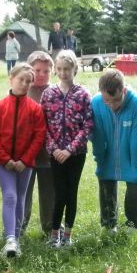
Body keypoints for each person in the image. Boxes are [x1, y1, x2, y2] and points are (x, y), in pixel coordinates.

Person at [0, 63, 46, 258]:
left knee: (21, 197)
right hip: (4, 163)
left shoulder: (35, 109)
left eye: (28, 82)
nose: (24, 84)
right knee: (10, 196)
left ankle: (17, 236)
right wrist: (5, 159)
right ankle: (10, 238)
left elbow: (39, 136)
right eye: (21, 79)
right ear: (10, 78)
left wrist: (25, 159)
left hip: (25, 164)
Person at [41, 50, 93, 247]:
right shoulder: (48, 94)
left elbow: (88, 125)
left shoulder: (83, 94)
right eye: (60, 69)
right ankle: (55, 234)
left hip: (76, 154)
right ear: (56, 69)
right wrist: (54, 149)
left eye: (67, 69)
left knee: (72, 193)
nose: (63, 73)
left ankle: (68, 235)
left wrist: (70, 149)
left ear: (75, 69)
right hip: (55, 154)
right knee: (59, 192)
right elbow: (42, 125)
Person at [91, 68, 137, 232]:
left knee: (135, 182)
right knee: (106, 179)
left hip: (134, 153)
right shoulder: (96, 103)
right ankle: (109, 222)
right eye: (107, 101)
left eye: (116, 100)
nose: (111, 105)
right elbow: (97, 134)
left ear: (123, 90)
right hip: (109, 150)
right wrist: (99, 157)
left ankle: (133, 223)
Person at [21, 50, 57, 237]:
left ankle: (50, 228)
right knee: (23, 193)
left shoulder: (55, 92)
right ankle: (18, 228)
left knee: (49, 193)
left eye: (46, 70)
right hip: (25, 155)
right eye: (37, 70)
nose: (42, 74)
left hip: (48, 154)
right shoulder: (23, 90)